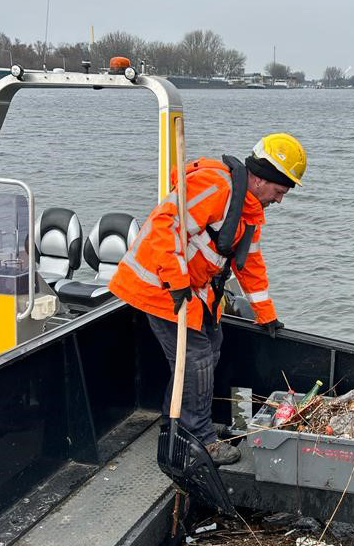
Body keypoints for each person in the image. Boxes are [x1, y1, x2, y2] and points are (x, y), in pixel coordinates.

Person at [109, 133, 306, 465]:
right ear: (260, 179)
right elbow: (165, 226)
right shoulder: (216, 187)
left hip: (191, 290)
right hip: (160, 286)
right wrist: (175, 282)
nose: (279, 200)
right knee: (196, 356)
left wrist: (265, 313)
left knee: (212, 344)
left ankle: (182, 424)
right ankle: (200, 440)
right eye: (278, 192)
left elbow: (250, 262)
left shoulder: (250, 208)